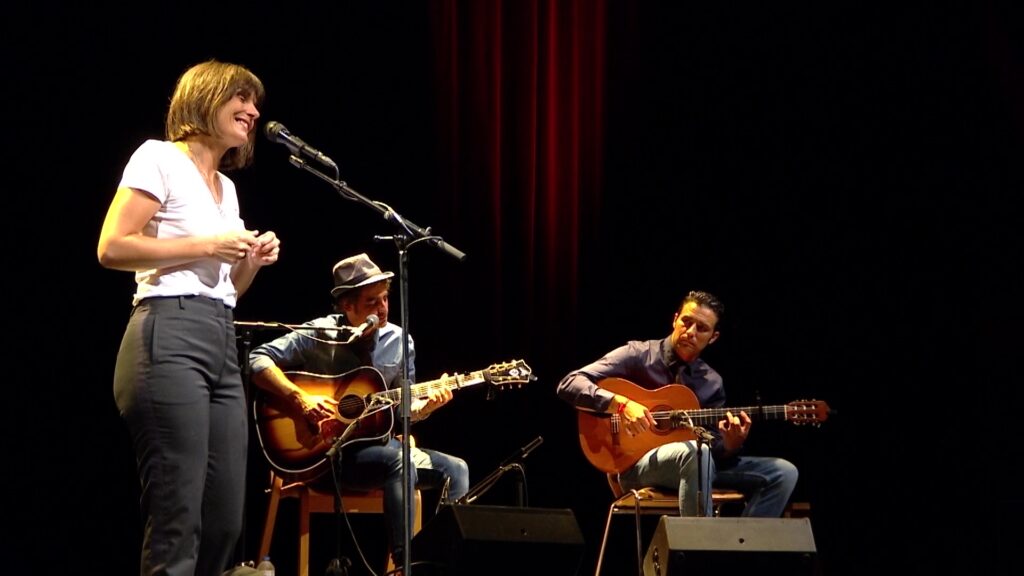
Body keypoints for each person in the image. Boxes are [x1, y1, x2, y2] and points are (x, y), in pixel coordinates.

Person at [97, 59, 281, 576]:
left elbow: (230, 290)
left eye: (254, 101)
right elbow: (112, 248)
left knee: (224, 517)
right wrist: (209, 243)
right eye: (240, 98)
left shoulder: (227, 188)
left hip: (220, 337)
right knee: (179, 514)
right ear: (205, 98)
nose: (252, 110)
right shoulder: (158, 158)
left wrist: (248, 262)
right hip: (167, 335)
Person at [248, 252, 469, 572]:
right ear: (346, 306)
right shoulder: (319, 333)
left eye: (384, 299)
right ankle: (404, 564)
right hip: (323, 457)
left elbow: (406, 409)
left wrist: (428, 407)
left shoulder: (400, 341)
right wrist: (299, 399)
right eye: (371, 302)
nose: (382, 309)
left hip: (380, 450)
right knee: (400, 461)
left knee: (457, 470)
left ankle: (439, 563)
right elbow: (257, 359)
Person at [557, 290, 797, 517]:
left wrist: (731, 445)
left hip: (697, 463)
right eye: (686, 321)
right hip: (635, 465)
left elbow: (714, 449)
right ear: (675, 320)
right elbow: (569, 383)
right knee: (696, 453)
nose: (690, 331)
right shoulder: (638, 355)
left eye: (701, 328)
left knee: (784, 473)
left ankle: (738, 552)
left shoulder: (711, 382)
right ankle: (699, 551)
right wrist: (620, 405)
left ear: (713, 337)